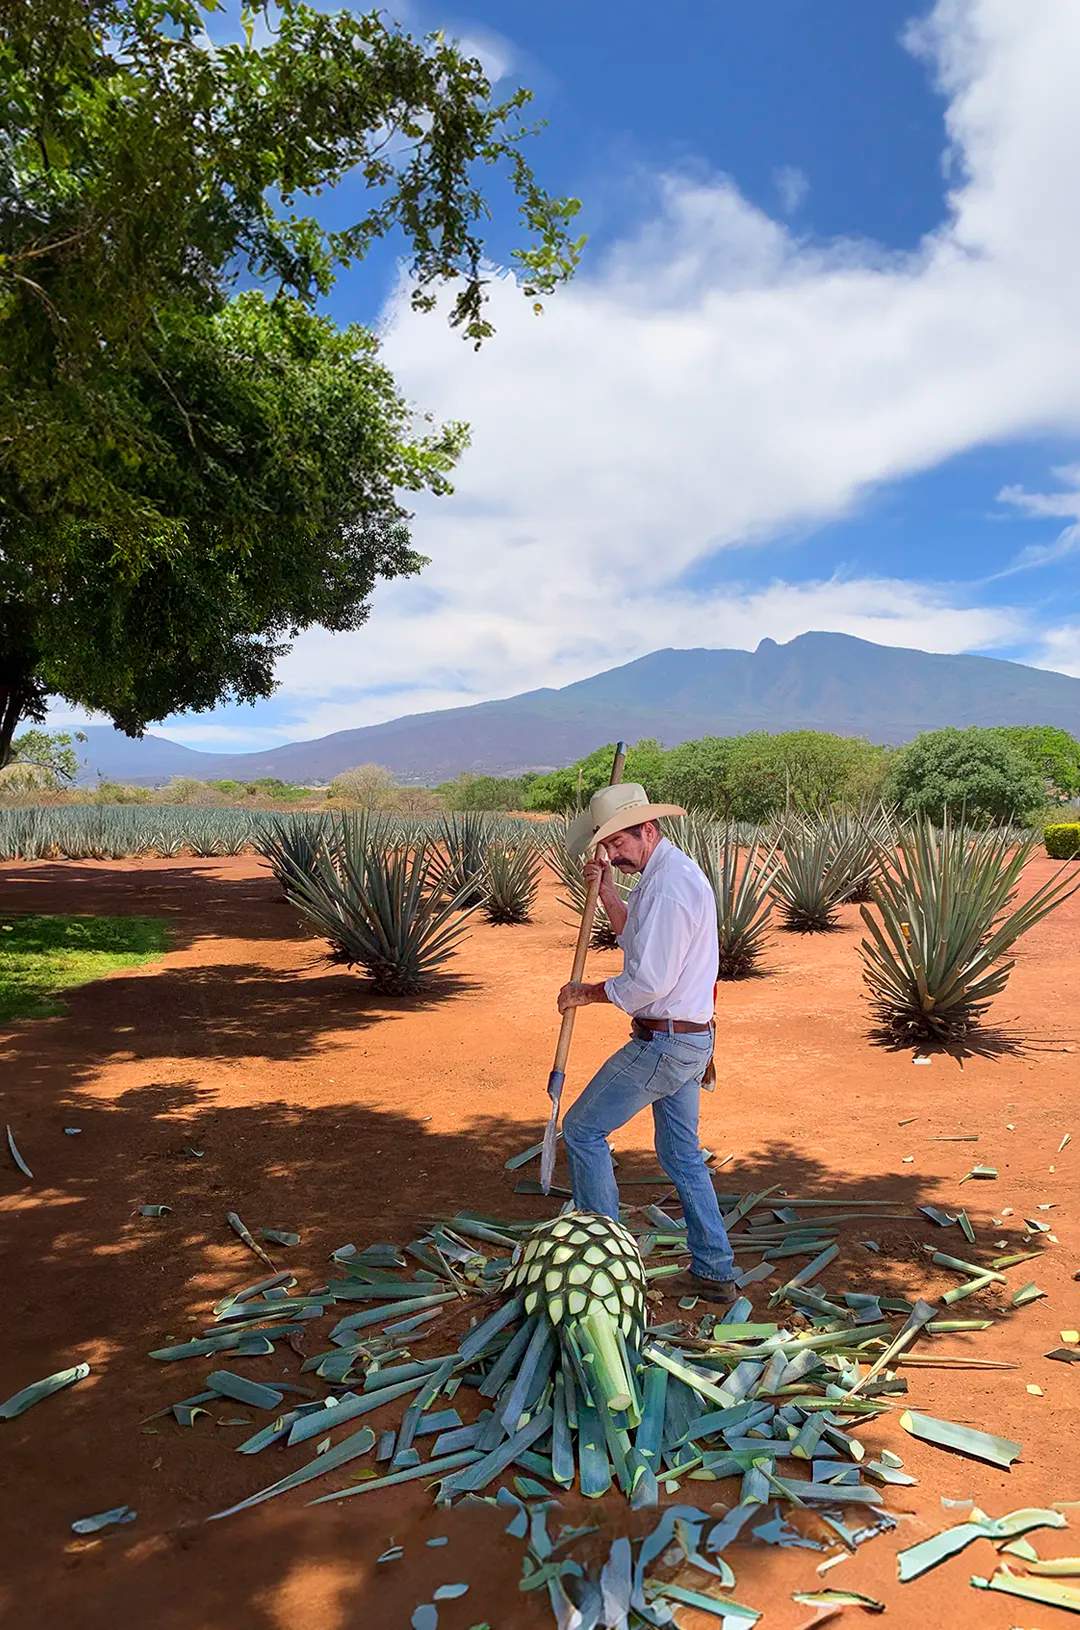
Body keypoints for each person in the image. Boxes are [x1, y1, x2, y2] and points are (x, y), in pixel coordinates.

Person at [557, 782, 736, 1303]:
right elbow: (637, 938)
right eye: (607, 847)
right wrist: (609, 892)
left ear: (648, 830)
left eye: (617, 845)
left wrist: (585, 992)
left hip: (665, 1044)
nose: (612, 854)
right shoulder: (661, 876)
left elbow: (648, 983)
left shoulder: (674, 886)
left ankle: (604, 1266)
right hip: (686, 1041)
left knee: (583, 1130)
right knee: (681, 1155)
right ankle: (714, 1269)